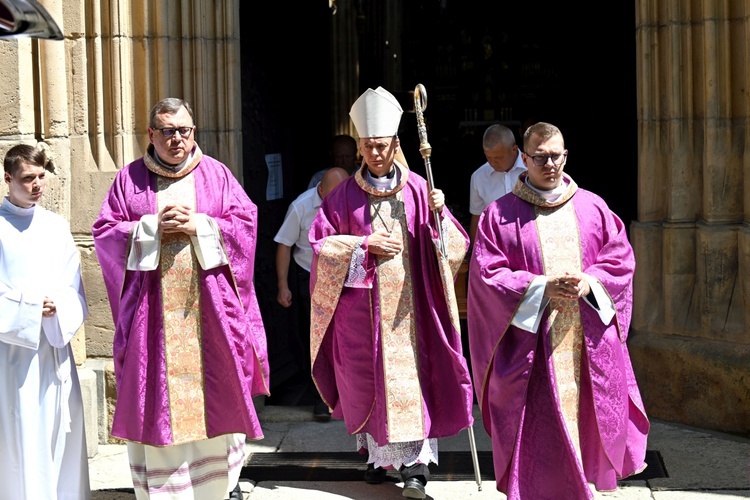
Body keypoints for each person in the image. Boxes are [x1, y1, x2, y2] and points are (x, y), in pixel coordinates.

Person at [92, 97, 269, 500]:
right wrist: (149, 228)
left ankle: (215, 489)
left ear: (194, 132)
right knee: (155, 402)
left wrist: (202, 226)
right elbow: (104, 233)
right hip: (152, 321)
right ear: (151, 134)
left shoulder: (217, 175)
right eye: (168, 131)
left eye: (184, 130)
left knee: (218, 393)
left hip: (210, 315)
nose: (177, 139)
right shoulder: (129, 179)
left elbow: (245, 226)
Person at [467, 122, 649, 499]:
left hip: (586, 345)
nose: (550, 164)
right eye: (540, 157)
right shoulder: (499, 216)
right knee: (540, 442)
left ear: (566, 155)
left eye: (557, 156)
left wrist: (590, 282)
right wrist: (539, 287)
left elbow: (619, 260)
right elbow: (487, 276)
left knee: (585, 427)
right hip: (532, 350)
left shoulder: (593, 207)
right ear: (525, 158)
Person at [309, 86, 474, 499]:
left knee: (414, 384)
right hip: (361, 314)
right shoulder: (343, 195)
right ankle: (378, 459)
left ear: (396, 144)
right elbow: (321, 248)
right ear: (360, 148)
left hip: (413, 310)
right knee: (368, 385)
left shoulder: (419, 188)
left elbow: (453, 248)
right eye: (367, 147)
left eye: (382, 146)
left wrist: (440, 217)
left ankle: (416, 469)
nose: (375, 154)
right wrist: (365, 246)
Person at [0, 144, 90, 499]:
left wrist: (59, 307)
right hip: (12, 358)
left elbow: (75, 288)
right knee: (21, 434)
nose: (37, 185)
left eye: (41, 177)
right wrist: (32, 307)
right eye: (27, 179)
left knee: (57, 435)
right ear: (8, 179)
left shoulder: (56, 226)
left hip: (54, 352)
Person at [274, 166, 349, 421]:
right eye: (334, 195)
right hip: (310, 275)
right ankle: (321, 397)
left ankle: (349, 395)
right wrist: (283, 285)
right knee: (317, 337)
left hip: (346, 276)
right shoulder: (302, 206)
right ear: (320, 190)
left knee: (347, 335)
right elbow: (284, 245)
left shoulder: (352, 199)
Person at [468, 123, 527, 245]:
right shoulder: (479, 176)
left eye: (498, 158)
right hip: (495, 246)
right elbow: (477, 217)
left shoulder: (533, 169)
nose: (493, 163)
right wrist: (473, 254)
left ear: (514, 149)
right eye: (489, 157)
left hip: (529, 241)